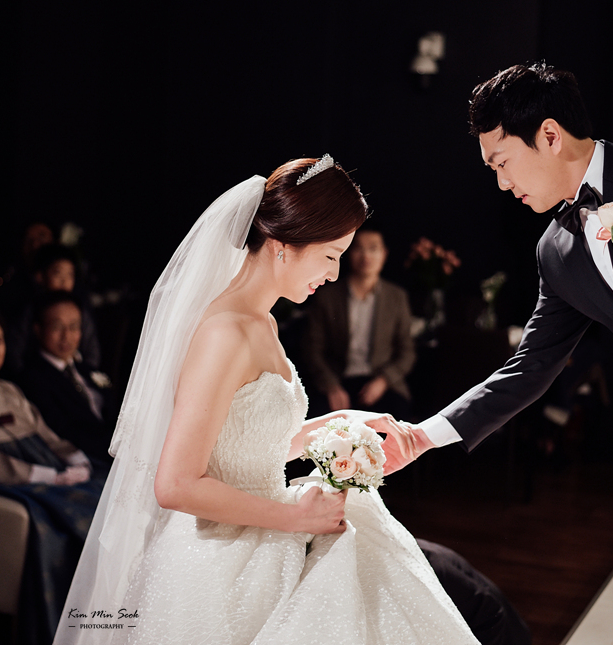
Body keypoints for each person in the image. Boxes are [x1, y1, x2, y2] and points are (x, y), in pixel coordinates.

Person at [54, 156, 479, 645]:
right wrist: (295, 517)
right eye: (331, 255)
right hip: (223, 556)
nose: (335, 274)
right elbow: (175, 484)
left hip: (265, 522)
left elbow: (250, 446)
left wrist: (342, 421)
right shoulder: (225, 333)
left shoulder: (264, 322)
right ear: (282, 246)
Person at [385, 63, 613, 645]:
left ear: (549, 135)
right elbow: (529, 366)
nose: (502, 184)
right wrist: (421, 436)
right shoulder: (555, 252)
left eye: (502, 163)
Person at [0, 303, 104, 644]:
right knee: (65, 517)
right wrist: (50, 477)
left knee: (102, 489)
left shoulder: (10, 390)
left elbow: (47, 436)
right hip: (3, 479)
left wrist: (77, 459)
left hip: (46, 464)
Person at [303, 225, 416, 419]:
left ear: (384, 254)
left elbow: (407, 352)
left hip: (381, 381)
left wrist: (383, 381)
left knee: (396, 418)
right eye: (359, 248)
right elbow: (312, 349)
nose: (366, 256)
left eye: (373, 249)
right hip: (339, 380)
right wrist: (331, 386)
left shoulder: (397, 297)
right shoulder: (327, 296)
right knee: (319, 420)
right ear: (348, 252)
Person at [20, 291, 117, 475]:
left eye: (73, 327)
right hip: (88, 462)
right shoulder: (32, 379)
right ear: (38, 330)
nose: (67, 336)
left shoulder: (88, 370)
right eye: (57, 327)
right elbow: (62, 431)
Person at [5, 244, 102, 375]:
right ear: (40, 276)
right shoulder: (30, 310)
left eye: (70, 274)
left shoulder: (78, 309)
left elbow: (91, 351)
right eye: (57, 273)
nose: (64, 281)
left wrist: (85, 376)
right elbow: (15, 350)